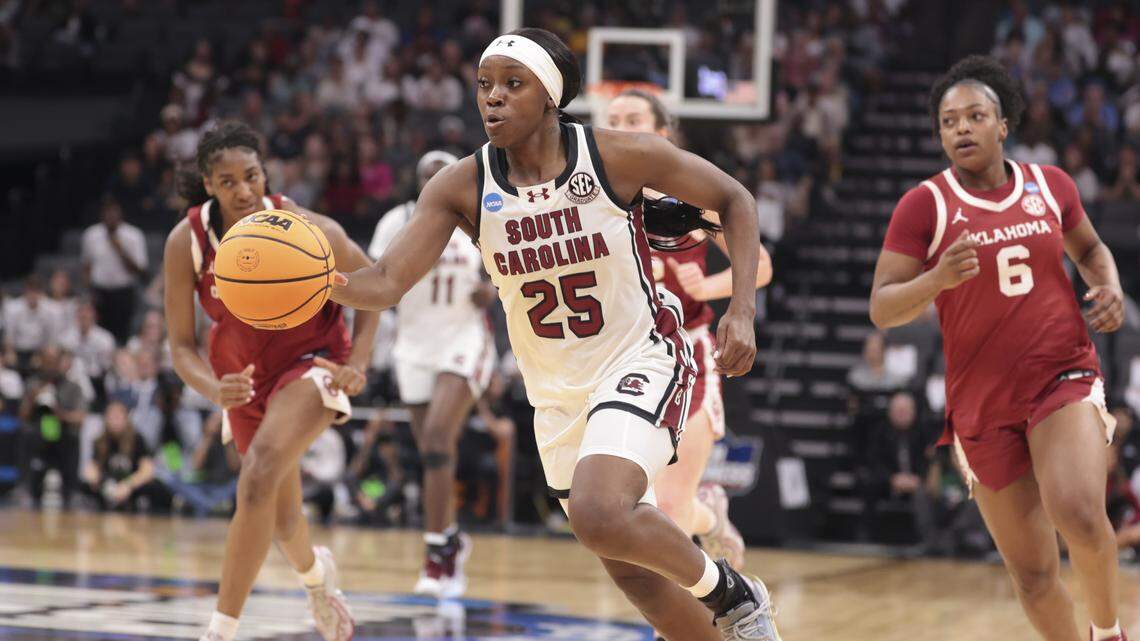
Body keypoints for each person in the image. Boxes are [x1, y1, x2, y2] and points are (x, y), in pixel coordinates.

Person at [332, 28, 779, 641]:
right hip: (555, 393)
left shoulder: (617, 155)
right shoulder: (460, 185)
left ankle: (735, 594)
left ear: (550, 96)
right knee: (636, 575)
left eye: (512, 84)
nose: (492, 97)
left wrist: (741, 310)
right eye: (484, 84)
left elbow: (735, 198)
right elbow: (385, 282)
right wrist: (319, 283)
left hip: (639, 357)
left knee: (600, 512)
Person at [870, 55, 1127, 641]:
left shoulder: (1050, 185)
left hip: (1061, 374)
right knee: (1033, 575)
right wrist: (936, 279)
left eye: (975, 116)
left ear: (1003, 124)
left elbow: (1090, 250)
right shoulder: (924, 205)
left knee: (1078, 512)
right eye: (949, 121)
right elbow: (882, 308)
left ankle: (1109, 631)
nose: (961, 128)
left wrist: (1108, 285)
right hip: (982, 402)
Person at [164, 121, 379, 641]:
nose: (243, 190)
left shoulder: (307, 230)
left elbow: (376, 288)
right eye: (228, 181)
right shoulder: (187, 241)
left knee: (257, 475)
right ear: (208, 184)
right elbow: (181, 346)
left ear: (266, 174)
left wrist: (359, 363)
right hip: (241, 379)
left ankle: (220, 631)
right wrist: (213, 390)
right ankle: (317, 578)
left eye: (252, 176)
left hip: (313, 361)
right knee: (280, 518)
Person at [604, 88, 775, 570]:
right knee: (634, 505)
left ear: (662, 133)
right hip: (616, 355)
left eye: (633, 118)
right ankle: (710, 514)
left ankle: (702, 545)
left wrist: (710, 287)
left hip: (686, 353)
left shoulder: (691, 193)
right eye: (612, 118)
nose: (620, 126)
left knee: (672, 506)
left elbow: (761, 265)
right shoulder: (588, 192)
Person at [367, 150, 498, 599]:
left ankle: (437, 554)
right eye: (429, 175)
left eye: (445, 174)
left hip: (463, 339)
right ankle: (450, 538)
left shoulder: (479, 218)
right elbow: (377, 278)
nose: (436, 181)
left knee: (440, 440)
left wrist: (491, 290)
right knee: (432, 454)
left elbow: (504, 274)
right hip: (412, 345)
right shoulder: (396, 222)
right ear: (418, 180)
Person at [80, 400, 169, 512]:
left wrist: (128, 485)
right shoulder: (100, 440)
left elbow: (147, 471)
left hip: (132, 485)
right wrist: (104, 484)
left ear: (126, 418)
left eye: (118, 417)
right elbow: (91, 469)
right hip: (109, 486)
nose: (115, 421)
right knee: (84, 486)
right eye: (111, 417)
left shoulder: (137, 439)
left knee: (156, 487)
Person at [82, 195, 148, 344]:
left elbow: (141, 270)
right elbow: (86, 266)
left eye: (114, 211)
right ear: (102, 214)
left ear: (120, 213)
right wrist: (89, 291)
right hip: (99, 292)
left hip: (123, 293)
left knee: (122, 335)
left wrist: (120, 250)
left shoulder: (133, 235)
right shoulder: (91, 235)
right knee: (99, 334)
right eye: (107, 211)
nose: (110, 215)